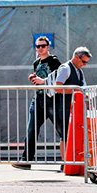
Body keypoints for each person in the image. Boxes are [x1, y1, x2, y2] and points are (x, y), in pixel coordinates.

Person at [13, 37, 62, 170]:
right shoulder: (36, 62)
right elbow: (39, 78)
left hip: (52, 99)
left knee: (62, 130)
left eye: (43, 46)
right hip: (39, 98)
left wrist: (43, 81)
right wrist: (34, 78)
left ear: (48, 47)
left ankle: (69, 161)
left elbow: (60, 78)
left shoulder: (54, 61)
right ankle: (26, 159)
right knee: (31, 129)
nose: (40, 48)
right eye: (38, 46)